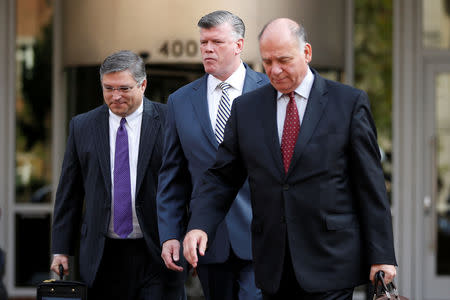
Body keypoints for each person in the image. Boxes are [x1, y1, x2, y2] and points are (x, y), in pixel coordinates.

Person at [183, 18, 397, 299]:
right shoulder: (247, 109)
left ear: (306, 53)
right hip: (274, 265)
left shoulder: (348, 104)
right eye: (267, 61)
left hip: (331, 261)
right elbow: (222, 176)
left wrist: (382, 254)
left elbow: (370, 185)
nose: (274, 70)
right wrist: (199, 223)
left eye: (283, 60)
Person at [50, 50, 185, 300]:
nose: (115, 96)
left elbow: (185, 184)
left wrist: (186, 236)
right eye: (108, 88)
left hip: (157, 250)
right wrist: (60, 249)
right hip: (103, 254)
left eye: (124, 88)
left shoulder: (171, 121)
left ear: (143, 85)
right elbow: (69, 192)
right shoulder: (83, 126)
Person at [157, 10, 269, 300]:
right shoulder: (180, 101)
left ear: (239, 45)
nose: (207, 48)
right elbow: (173, 175)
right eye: (203, 42)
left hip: (263, 235)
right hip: (207, 239)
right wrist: (170, 233)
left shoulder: (269, 91)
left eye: (216, 42)